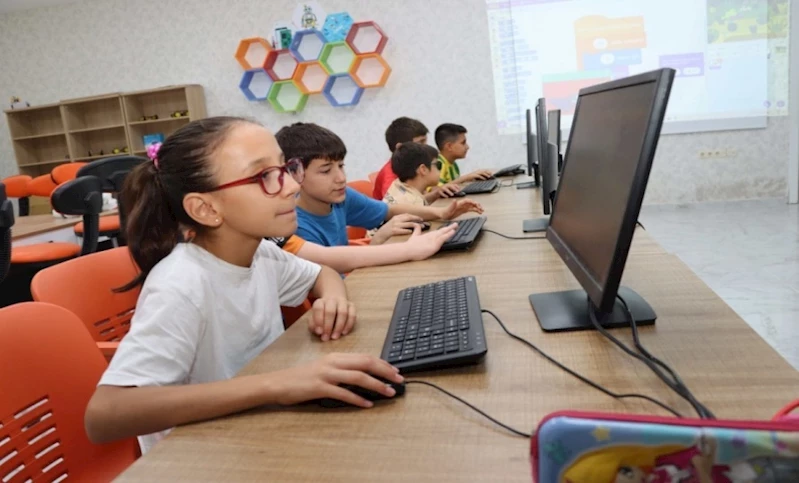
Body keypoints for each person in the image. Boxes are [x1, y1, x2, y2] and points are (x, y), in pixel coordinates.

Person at [84, 117, 403, 453]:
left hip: (254, 433)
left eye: (285, 168)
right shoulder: (180, 284)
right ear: (205, 209)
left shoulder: (262, 252)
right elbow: (106, 414)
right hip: (199, 456)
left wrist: (333, 297)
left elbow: (321, 273)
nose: (292, 186)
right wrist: (275, 384)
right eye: (264, 176)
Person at [275, 122, 484, 248]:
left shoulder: (341, 196)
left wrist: (441, 213)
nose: (341, 178)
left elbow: (388, 210)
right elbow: (334, 275)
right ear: (294, 174)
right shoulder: (296, 226)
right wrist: (379, 239)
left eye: (341, 166)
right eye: (326, 170)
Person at [372, 116, 460, 201]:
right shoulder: (390, 177)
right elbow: (399, 208)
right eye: (420, 142)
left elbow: (418, 199)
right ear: (400, 147)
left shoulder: (413, 166)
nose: (426, 147)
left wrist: (436, 192)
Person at [383, 142, 444, 206]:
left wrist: (435, 194)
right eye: (437, 165)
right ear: (423, 169)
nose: (439, 169)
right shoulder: (415, 203)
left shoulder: (396, 184)